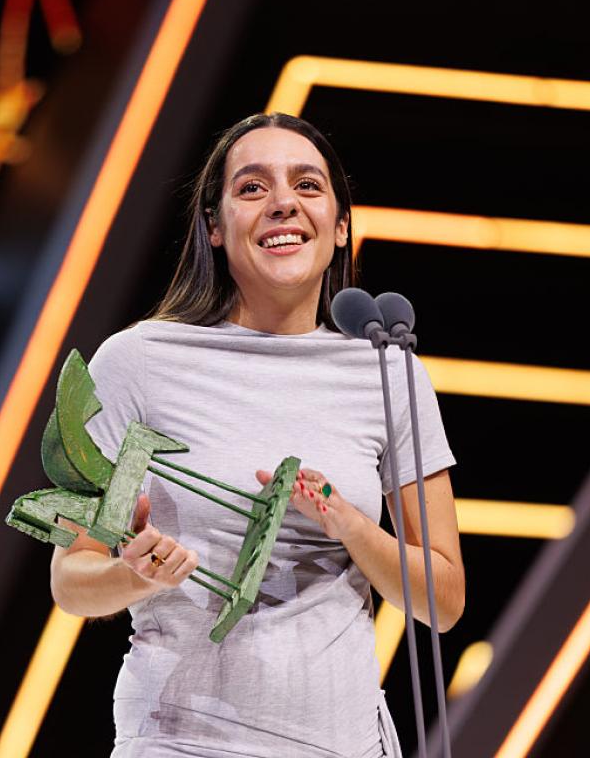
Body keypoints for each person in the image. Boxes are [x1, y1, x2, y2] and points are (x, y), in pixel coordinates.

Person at [49, 112, 465, 758]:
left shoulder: (387, 374)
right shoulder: (141, 363)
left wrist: (350, 525)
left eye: (307, 185)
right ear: (214, 228)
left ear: (341, 225)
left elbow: (443, 598)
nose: (282, 205)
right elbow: (70, 577)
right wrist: (134, 575)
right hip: (180, 742)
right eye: (252, 188)